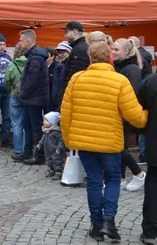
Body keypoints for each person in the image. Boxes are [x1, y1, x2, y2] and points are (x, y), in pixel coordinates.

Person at [61, 41, 148, 242]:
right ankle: (109, 220)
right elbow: (134, 115)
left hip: (84, 142)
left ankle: (96, 225)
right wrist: (148, 116)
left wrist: (68, 140)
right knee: (113, 179)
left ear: (90, 57)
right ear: (109, 57)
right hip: (110, 142)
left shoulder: (77, 79)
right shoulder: (119, 81)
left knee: (93, 180)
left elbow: (66, 114)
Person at [112, 38, 146, 192]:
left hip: (124, 114)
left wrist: (125, 115)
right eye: (113, 49)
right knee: (120, 146)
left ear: (127, 52)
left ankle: (138, 174)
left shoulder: (131, 69)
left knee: (119, 147)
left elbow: (133, 94)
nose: (113, 52)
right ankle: (121, 178)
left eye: (117, 49)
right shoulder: (120, 67)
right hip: (118, 113)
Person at [18, 30, 49, 166]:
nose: (20, 43)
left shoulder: (36, 57)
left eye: (21, 40)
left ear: (28, 42)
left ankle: (39, 155)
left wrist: (22, 94)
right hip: (32, 98)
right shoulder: (34, 55)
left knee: (36, 127)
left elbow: (32, 80)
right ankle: (27, 152)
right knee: (28, 126)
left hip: (34, 98)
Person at [137, 73, 157, 244]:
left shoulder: (150, 82)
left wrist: (144, 132)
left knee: (153, 186)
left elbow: (139, 113)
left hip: (154, 140)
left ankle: (150, 231)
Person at [5, 44, 28, 161]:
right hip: (28, 96)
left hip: (15, 95)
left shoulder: (12, 64)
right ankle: (26, 149)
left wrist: (12, 90)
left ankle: (18, 149)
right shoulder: (31, 62)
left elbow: (7, 80)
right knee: (26, 124)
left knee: (16, 124)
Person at [36, 111, 65, 180]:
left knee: (57, 161)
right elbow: (43, 138)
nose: (44, 122)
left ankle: (58, 172)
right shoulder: (46, 131)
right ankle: (51, 170)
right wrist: (39, 144)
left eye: (46, 120)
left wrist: (59, 149)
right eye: (44, 120)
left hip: (55, 151)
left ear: (52, 122)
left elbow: (61, 141)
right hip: (47, 150)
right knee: (48, 160)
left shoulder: (56, 132)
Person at [62, 21, 89, 88]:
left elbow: (75, 74)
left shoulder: (79, 49)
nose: (65, 35)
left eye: (66, 32)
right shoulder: (80, 47)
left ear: (74, 31)